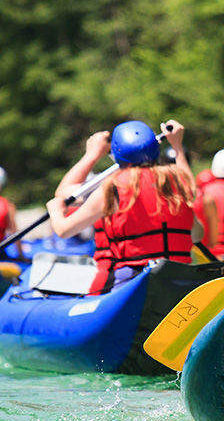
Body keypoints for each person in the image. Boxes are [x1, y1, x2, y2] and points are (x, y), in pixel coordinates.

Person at [47, 119, 198, 294]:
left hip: (133, 280)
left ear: (117, 154)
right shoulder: (176, 181)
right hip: (179, 277)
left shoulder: (112, 188)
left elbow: (64, 228)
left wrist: (55, 210)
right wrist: (178, 147)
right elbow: (190, 186)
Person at [53, 131, 117, 293]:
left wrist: (92, 154)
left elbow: (62, 194)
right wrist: (178, 149)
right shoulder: (170, 182)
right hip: (166, 270)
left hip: (118, 273)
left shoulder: (110, 189)